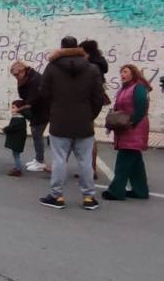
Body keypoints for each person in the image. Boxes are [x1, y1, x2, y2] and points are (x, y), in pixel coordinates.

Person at [37, 36, 104, 210]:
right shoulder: (92, 69)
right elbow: (98, 98)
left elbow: (43, 93)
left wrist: (54, 110)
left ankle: (56, 195)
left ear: (61, 48)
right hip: (84, 121)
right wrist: (90, 115)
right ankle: (89, 197)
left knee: (59, 160)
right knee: (85, 161)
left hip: (60, 120)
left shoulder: (52, 68)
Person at [102, 65, 152, 201]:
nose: (122, 74)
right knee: (135, 163)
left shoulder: (138, 87)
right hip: (125, 128)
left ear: (133, 73)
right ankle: (140, 191)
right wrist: (111, 125)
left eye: (125, 72)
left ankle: (116, 191)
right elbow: (118, 108)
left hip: (133, 128)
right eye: (121, 72)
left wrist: (132, 123)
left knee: (123, 161)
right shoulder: (125, 88)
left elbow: (142, 107)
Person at [10, 61, 50, 172]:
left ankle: (40, 161)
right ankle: (38, 159)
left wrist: (18, 109)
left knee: (37, 134)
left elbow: (31, 101)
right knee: (36, 134)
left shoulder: (34, 80)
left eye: (17, 74)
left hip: (42, 110)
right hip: (38, 109)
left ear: (23, 70)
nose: (16, 77)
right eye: (14, 75)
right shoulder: (27, 78)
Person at [80, 39, 108, 179]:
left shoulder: (92, 67)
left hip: (87, 105)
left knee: (87, 137)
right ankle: (90, 168)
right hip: (91, 105)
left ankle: (91, 168)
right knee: (87, 136)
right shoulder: (99, 64)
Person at [2, 101, 29, 176]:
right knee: (16, 154)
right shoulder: (19, 117)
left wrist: (5, 129)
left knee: (16, 155)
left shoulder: (18, 118)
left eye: (13, 107)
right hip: (18, 139)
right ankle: (17, 168)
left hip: (17, 140)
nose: (11, 109)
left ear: (19, 109)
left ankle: (18, 170)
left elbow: (12, 127)